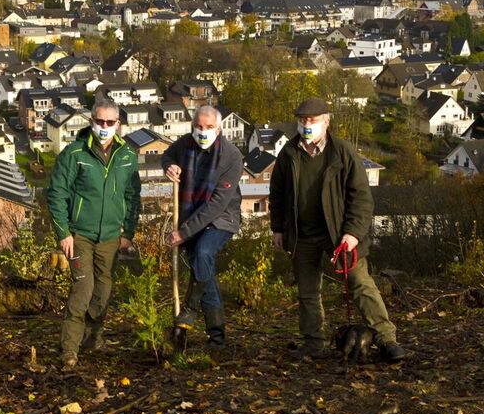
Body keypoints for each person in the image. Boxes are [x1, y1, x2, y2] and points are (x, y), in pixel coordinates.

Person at [269, 97, 406, 362]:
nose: (307, 125)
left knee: (360, 284)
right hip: (301, 235)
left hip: (338, 235)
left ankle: (386, 339)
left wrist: (353, 233)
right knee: (307, 291)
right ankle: (313, 341)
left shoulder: (342, 152)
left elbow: (361, 197)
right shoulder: (289, 153)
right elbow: (277, 194)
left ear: (326, 121)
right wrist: (278, 229)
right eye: (302, 120)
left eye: (312, 120)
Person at [48, 99, 141, 368]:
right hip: (80, 235)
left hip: (111, 236)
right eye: (99, 122)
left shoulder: (127, 157)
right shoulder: (74, 154)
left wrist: (129, 232)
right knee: (83, 288)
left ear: (118, 124)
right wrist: (63, 233)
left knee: (103, 289)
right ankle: (69, 349)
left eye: (110, 122)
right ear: (91, 122)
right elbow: (56, 193)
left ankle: (94, 336)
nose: (104, 127)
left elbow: (133, 196)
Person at [161, 106, 243, 346]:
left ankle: (189, 308)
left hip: (221, 218)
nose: (203, 132)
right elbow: (167, 154)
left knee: (203, 252)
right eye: (198, 126)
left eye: (208, 127)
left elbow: (218, 204)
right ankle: (217, 336)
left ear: (218, 128)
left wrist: (183, 233)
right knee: (203, 270)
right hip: (190, 214)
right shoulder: (185, 145)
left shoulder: (231, 156)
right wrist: (169, 166)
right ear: (192, 126)